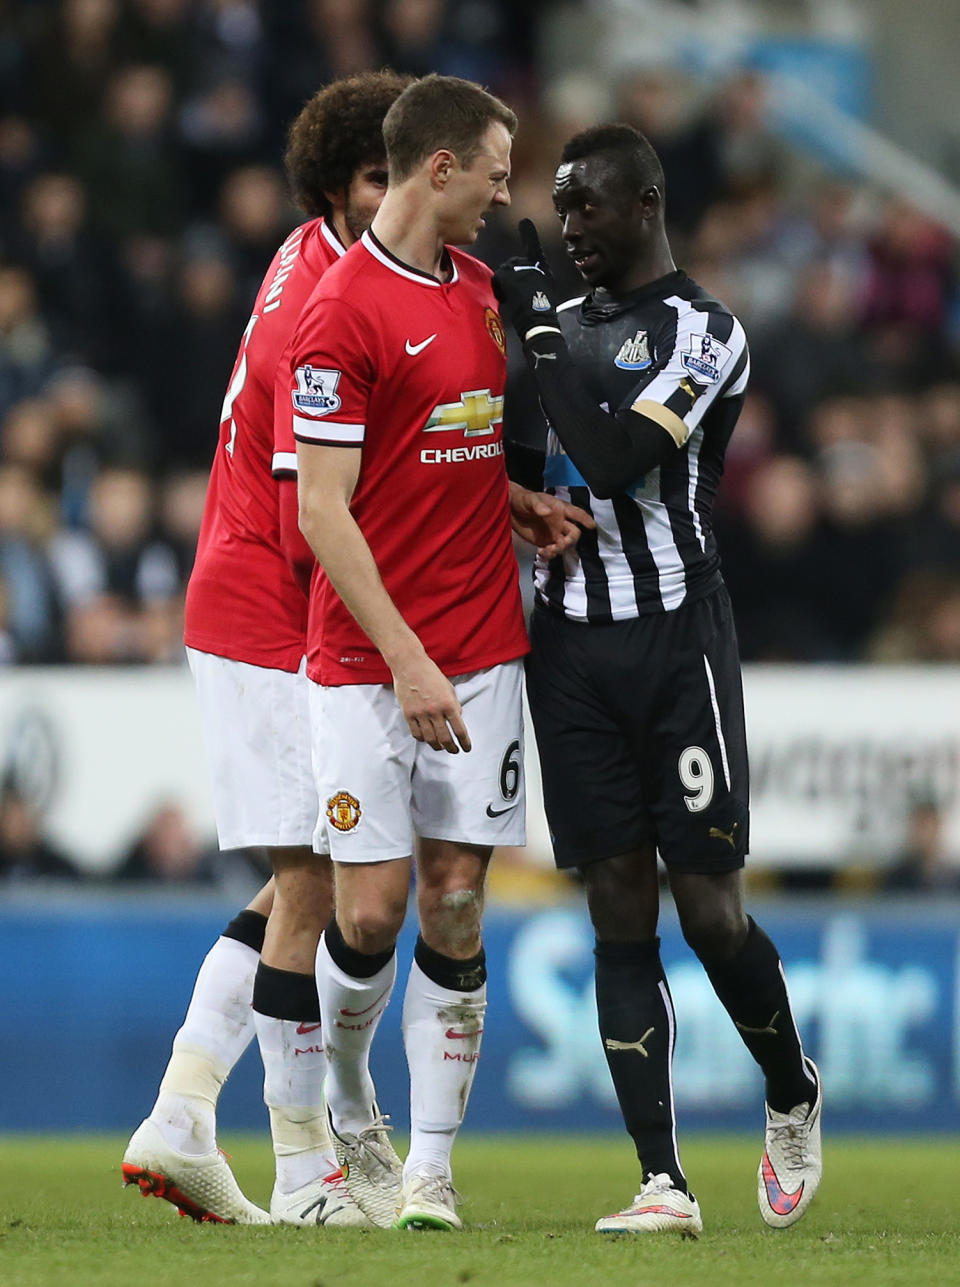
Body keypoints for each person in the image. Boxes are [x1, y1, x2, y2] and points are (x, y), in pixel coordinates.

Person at [492, 124, 822, 1237]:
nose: (572, 228)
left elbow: (624, 457)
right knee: (616, 905)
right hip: (573, 649)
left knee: (710, 909)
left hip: (679, 639)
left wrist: (534, 336)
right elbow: (525, 476)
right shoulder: (556, 333)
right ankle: (661, 1182)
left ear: (646, 203)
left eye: (588, 205)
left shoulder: (705, 330)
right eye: (562, 208)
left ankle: (790, 1089)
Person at [289, 74, 588, 1233]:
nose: (509, 197)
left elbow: (445, 442)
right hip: (371, 661)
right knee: (368, 917)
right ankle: (353, 1088)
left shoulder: (481, 292)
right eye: (500, 173)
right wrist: (406, 658)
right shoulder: (340, 308)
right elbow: (325, 510)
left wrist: (509, 497)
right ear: (441, 168)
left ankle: (429, 1169)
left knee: (457, 901)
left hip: (482, 647)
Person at [122, 70, 413, 1229]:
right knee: (314, 880)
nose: (398, 199)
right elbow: (311, 514)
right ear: (340, 191)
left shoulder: (315, 252)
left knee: (303, 871)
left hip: (251, 602)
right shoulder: (323, 303)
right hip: (267, 609)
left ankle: (186, 1112)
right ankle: (307, 1176)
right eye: (379, 179)